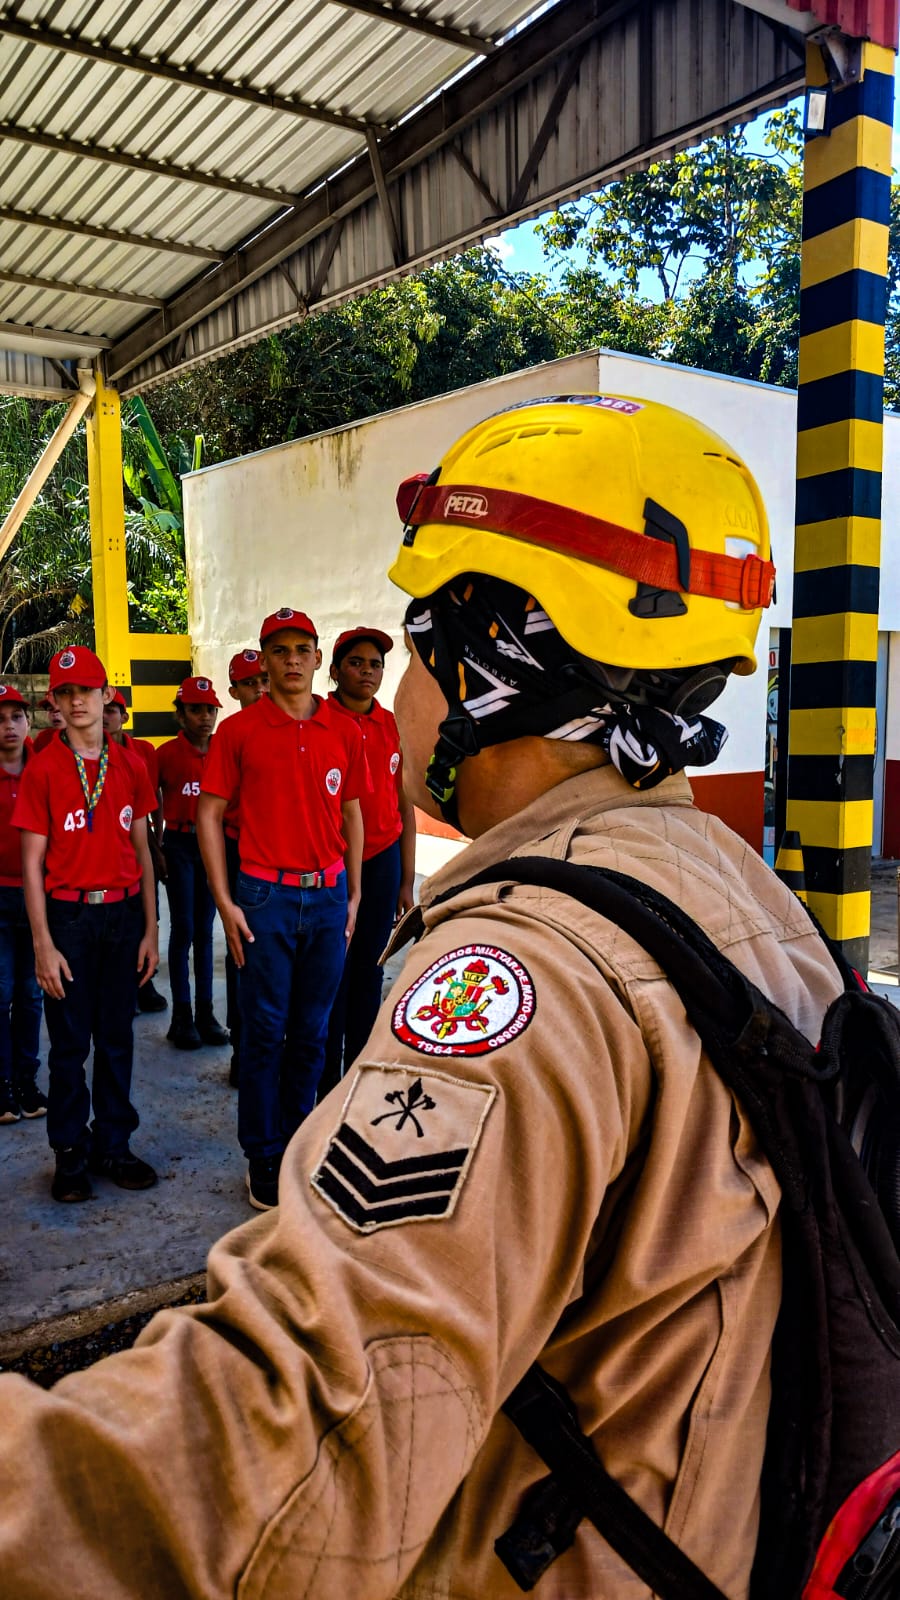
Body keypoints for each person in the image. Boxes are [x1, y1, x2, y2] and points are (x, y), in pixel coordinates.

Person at [0, 398, 844, 1598]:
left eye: (413, 647)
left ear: (494, 660)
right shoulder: (751, 903)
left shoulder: (527, 978)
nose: (388, 695)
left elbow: (312, 1431)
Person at [197, 608, 366, 1210]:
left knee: (314, 1034)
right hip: (263, 897)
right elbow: (209, 814)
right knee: (266, 1032)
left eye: (302, 648)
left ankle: (302, 1143)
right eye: (280, 649)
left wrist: (354, 892)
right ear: (263, 662)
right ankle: (264, 1155)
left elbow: (352, 810)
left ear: (317, 658)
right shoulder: (238, 733)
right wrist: (224, 899)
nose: (292, 659)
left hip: (326, 898)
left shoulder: (343, 730)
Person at [13, 645, 159, 1203]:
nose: (78, 702)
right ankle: (69, 1153)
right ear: (55, 702)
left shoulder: (130, 765)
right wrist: (43, 945)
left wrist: (150, 929)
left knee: (118, 1037)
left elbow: (143, 852)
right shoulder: (45, 767)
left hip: (122, 915)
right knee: (70, 1044)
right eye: (66, 693)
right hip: (69, 917)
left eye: (87, 692)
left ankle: (113, 1144)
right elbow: (31, 863)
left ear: (106, 698)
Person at [319, 627, 415, 1097]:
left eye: (375, 664)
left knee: (370, 968)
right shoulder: (320, 722)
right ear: (334, 671)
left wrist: (405, 878)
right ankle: (323, 1081)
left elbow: (403, 802)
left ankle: (355, 1079)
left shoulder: (391, 724)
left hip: (382, 862)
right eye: (356, 663)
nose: (367, 672)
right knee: (333, 970)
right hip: (334, 866)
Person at [157, 677, 229, 1051]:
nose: (205, 717)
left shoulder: (224, 750)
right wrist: (158, 848)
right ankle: (181, 1015)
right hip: (181, 844)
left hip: (212, 846)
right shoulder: (166, 754)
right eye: (196, 709)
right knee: (182, 927)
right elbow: (150, 802)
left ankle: (206, 1013)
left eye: (210, 709)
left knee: (205, 929)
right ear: (180, 714)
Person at [103, 689, 168, 1015]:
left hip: (140, 841)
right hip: (107, 846)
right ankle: (121, 987)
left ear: (124, 716)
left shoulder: (143, 751)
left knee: (148, 910)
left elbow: (154, 795)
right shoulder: (87, 752)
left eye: (113, 710)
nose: (106, 715)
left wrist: (157, 838)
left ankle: (145, 979)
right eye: (104, 709)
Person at [222, 649, 268, 1087]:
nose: (260, 689)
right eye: (250, 684)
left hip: (279, 860)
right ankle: (243, 1045)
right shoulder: (232, 734)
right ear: (235, 691)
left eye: (262, 681)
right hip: (239, 850)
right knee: (242, 950)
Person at [0, 684, 45, 1123]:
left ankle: (28, 1081)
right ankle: (2, 1085)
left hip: (36, 897)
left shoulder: (43, 771)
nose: (9, 726)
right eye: (0, 719)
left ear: (29, 722)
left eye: (16, 716)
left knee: (31, 995)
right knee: (0, 993)